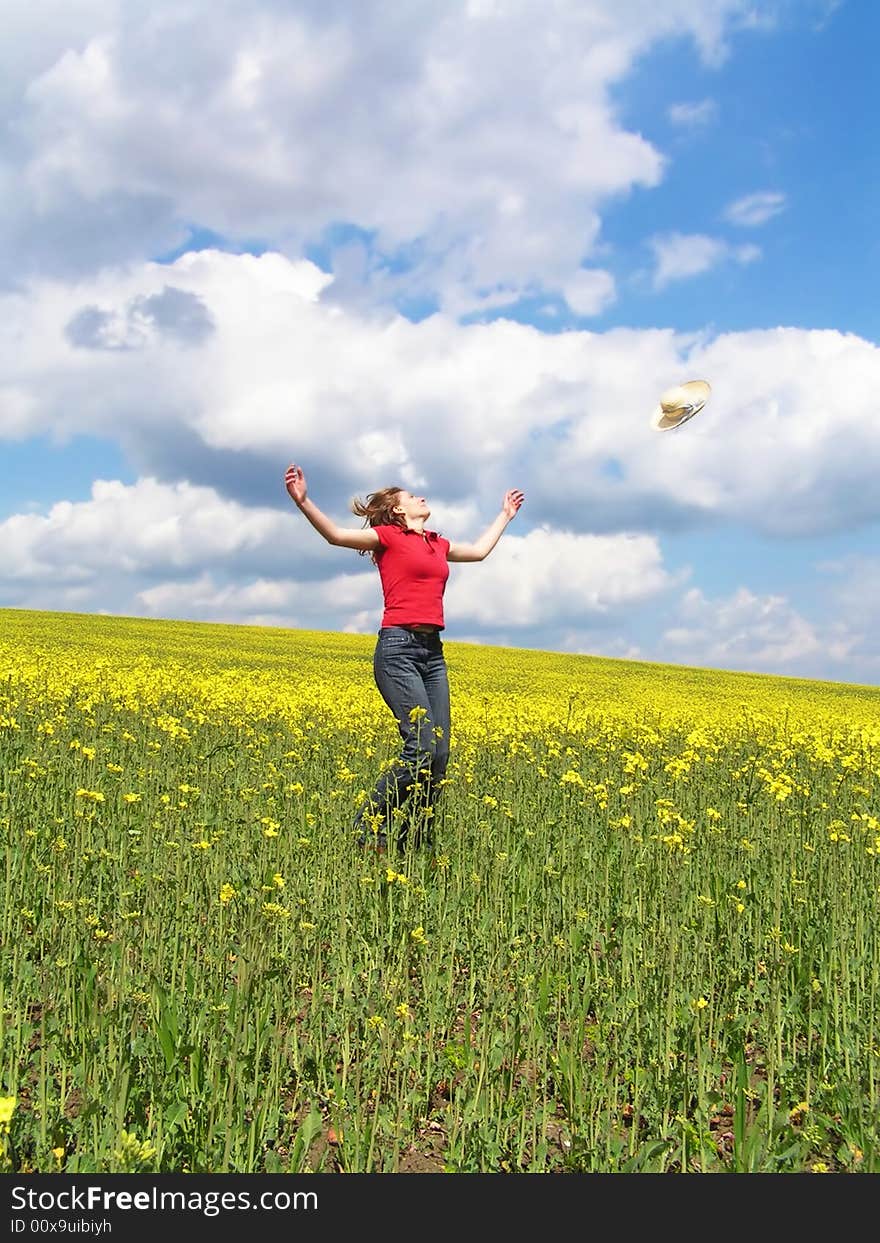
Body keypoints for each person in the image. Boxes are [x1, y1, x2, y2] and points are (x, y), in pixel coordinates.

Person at [284, 463, 524, 852]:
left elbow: (479, 552)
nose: (419, 498)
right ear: (397, 510)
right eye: (410, 496)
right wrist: (304, 501)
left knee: (440, 752)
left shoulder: (437, 543)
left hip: (433, 654)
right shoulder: (388, 539)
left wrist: (505, 516)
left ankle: (416, 837)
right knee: (420, 746)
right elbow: (334, 536)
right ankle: (369, 826)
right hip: (398, 649)